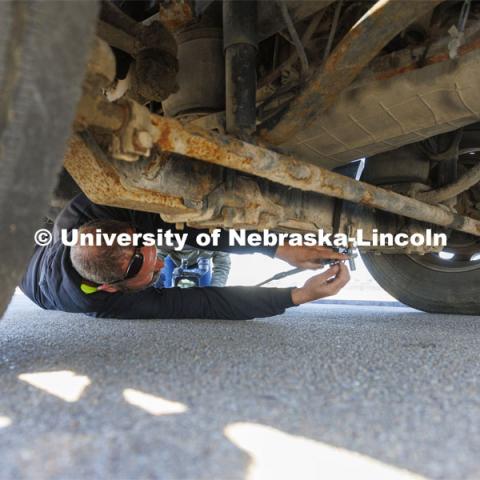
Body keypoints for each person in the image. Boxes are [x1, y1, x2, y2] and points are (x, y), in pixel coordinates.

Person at [20, 193, 350, 320]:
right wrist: (300, 295)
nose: (162, 264)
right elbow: (202, 303)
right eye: (150, 274)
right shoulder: (101, 301)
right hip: (29, 278)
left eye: (151, 251)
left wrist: (276, 247)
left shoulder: (87, 211)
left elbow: (181, 230)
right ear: (110, 288)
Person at [158, 245, 231, 288]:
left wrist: (215, 292)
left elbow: (222, 264)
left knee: (207, 295)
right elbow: (156, 257)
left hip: (202, 262)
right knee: (165, 291)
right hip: (172, 259)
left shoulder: (218, 234)